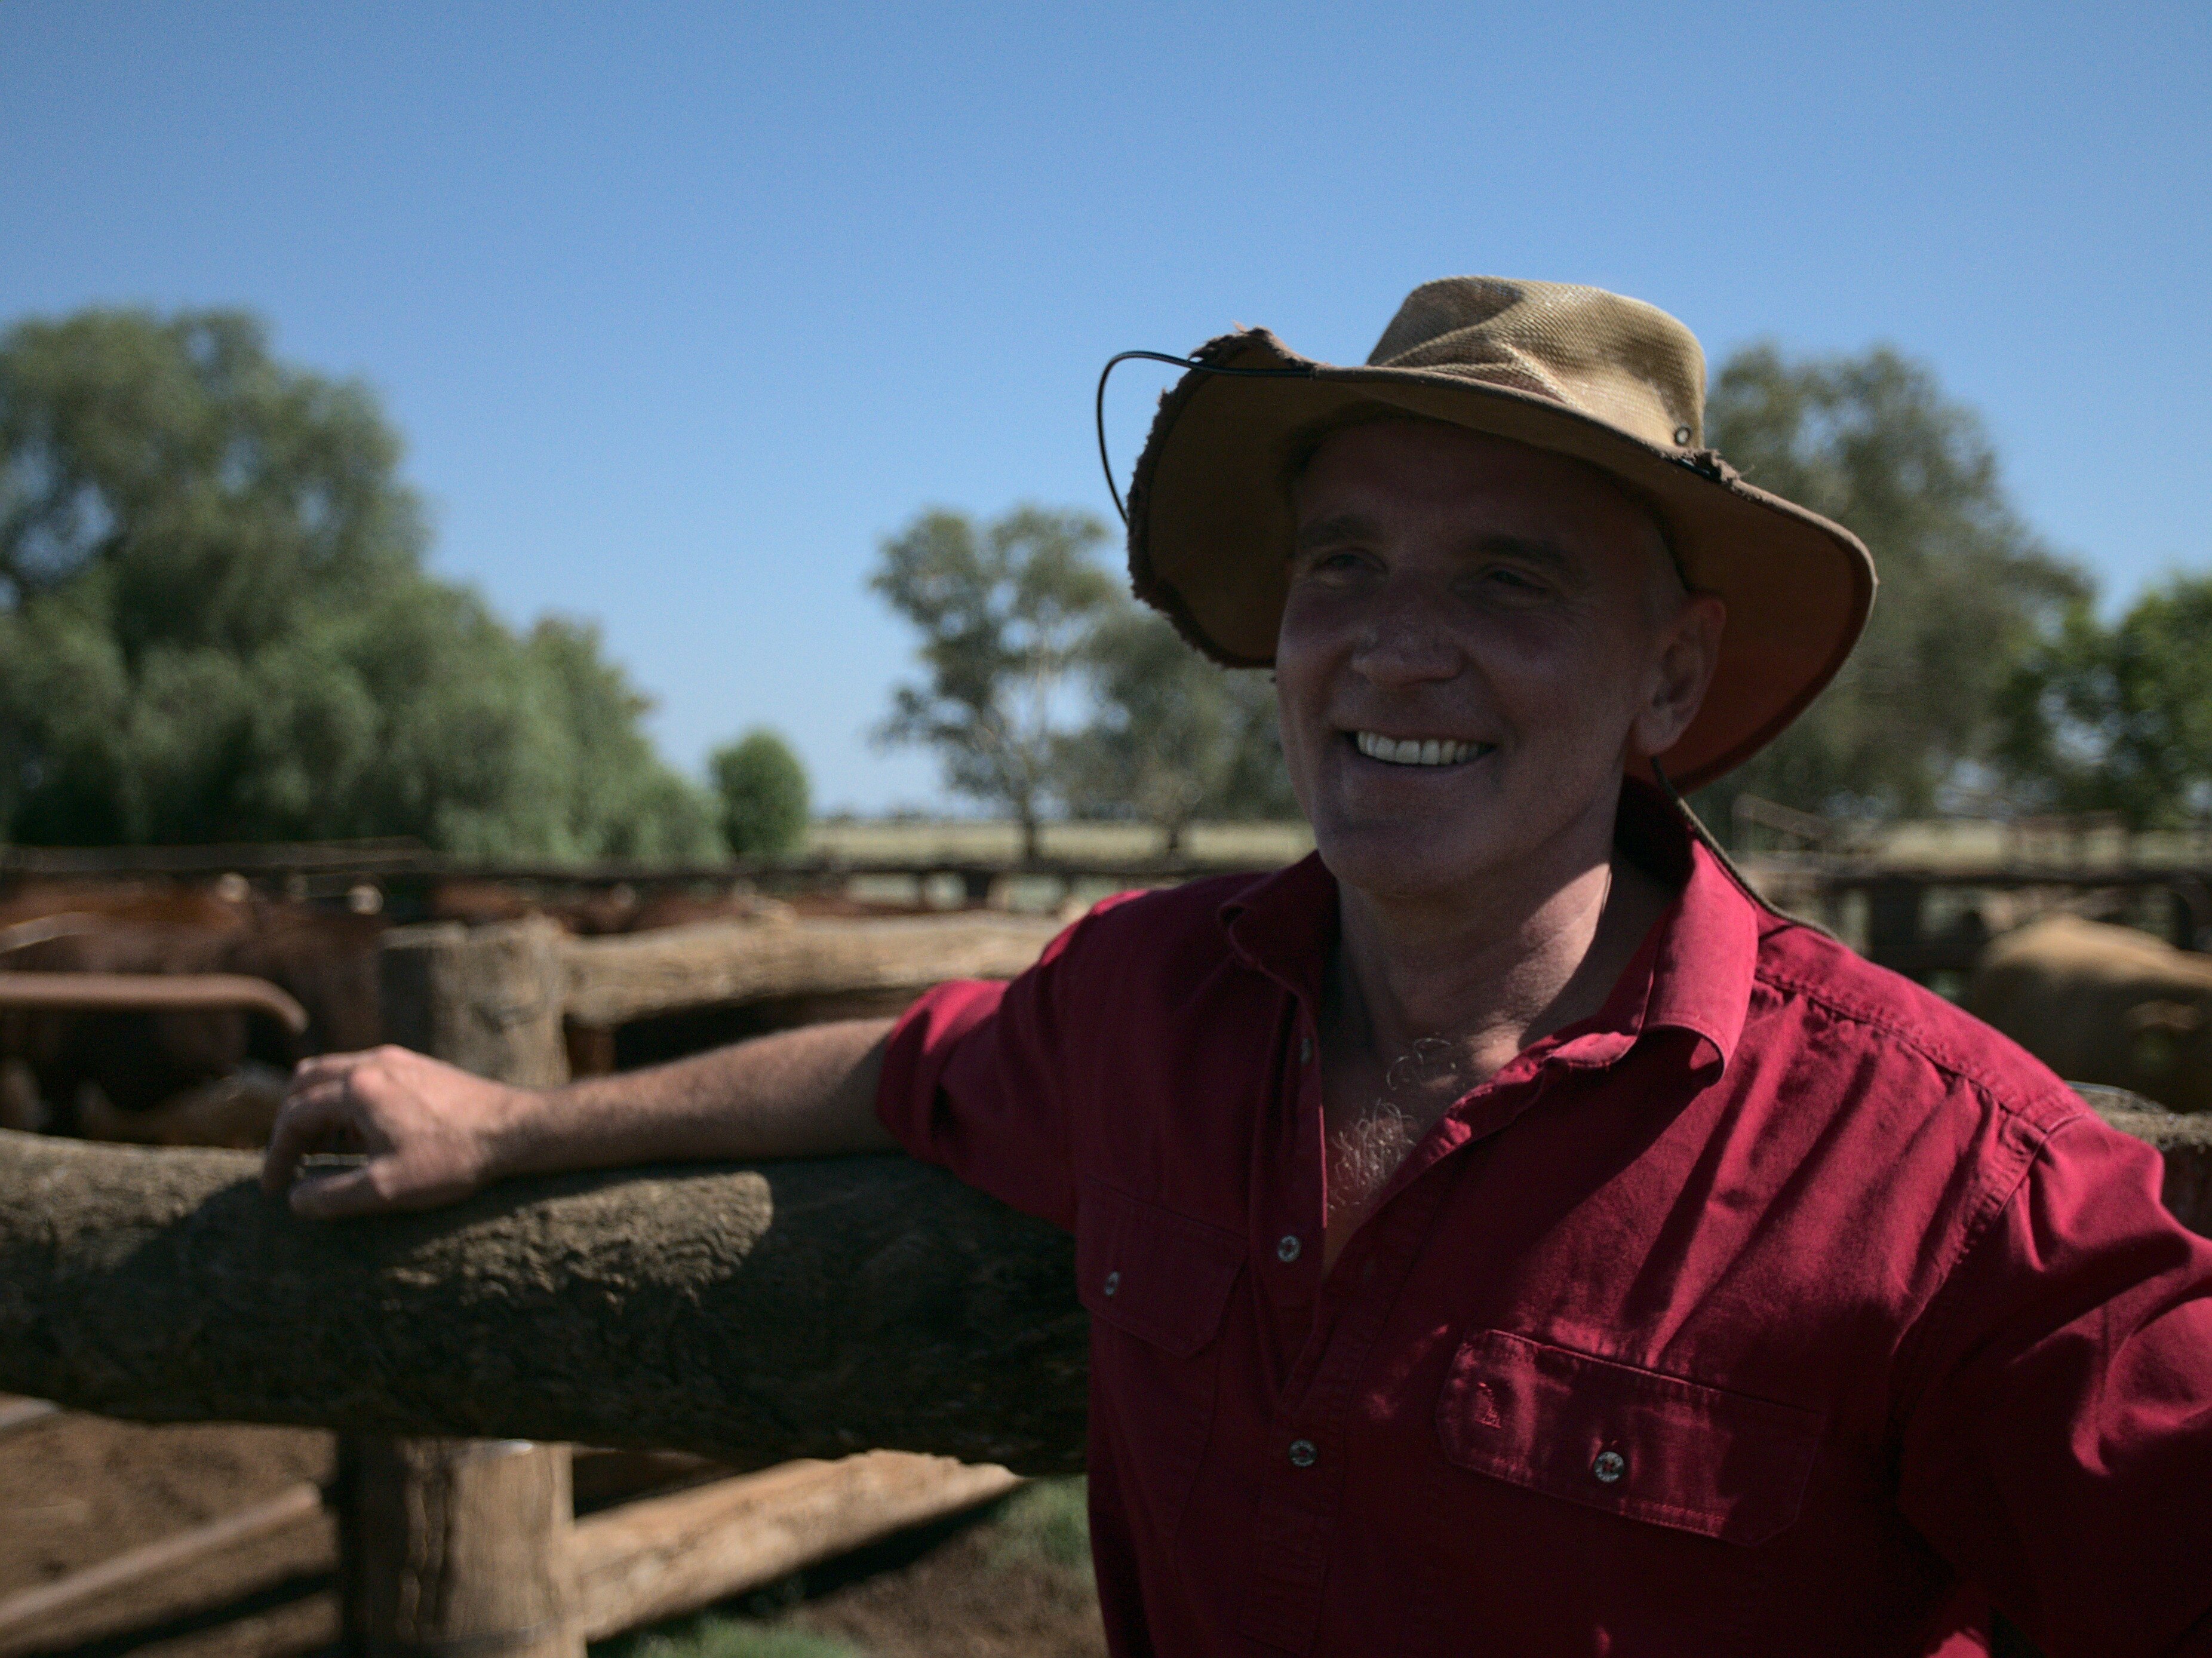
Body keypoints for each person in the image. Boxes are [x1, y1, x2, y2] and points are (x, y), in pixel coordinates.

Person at [264, 278, 2212, 1657]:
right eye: (1341, 565)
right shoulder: (1155, 1002)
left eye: (1509, 581)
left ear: (1674, 678)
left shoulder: (1952, 1182)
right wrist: (509, 1124)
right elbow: (899, 1073)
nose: (1388, 645)